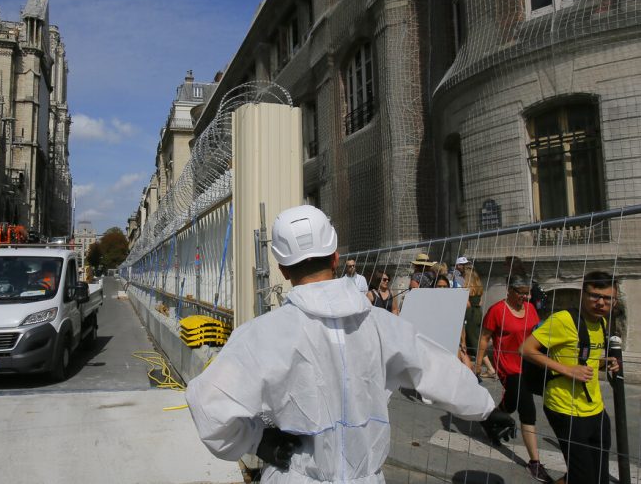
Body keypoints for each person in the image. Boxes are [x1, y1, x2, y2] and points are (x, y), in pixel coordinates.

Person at [185, 205, 514, 483]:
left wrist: (257, 439)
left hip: (295, 475)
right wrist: (485, 409)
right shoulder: (381, 326)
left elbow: (211, 410)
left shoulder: (261, 335)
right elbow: (435, 368)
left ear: (283, 269)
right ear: (336, 258)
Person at [520, 271, 621, 484]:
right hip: (565, 408)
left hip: (595, 408)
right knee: (584, 478)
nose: (600, 302)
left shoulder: (601, 323)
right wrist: (568, 370)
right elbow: (527, 349)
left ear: (615, 300)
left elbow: (586, 358)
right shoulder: (563, 320)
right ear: (583, 295)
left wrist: (605, 363)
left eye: (607, 298)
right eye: (594, 296)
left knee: (597, 476)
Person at [475, 275, 551, 483]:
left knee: (511, 404)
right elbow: (484, 338)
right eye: (521, 293)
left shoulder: (531, 309)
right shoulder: (497, 311)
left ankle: (490, 418)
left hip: (529, 365)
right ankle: (534, 463)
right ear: (509, 290)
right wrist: (478, 364)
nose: (525, 297)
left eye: (527, 293)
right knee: (528, 409)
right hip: (508, 366)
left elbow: (537, 334)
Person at [435, 274, 473, 371]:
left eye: (445, 287)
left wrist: (463, 342)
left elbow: (460, 324)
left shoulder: (453, 303)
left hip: (453, 340)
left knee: (468, 368)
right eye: (439, 286)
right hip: (436, 341)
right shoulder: (430, 303)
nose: (442, 289)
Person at [464, 267, 496, 378]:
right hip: (478, 312)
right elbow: (481, 301)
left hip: (470, 314)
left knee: (474, 341)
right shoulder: (479, 286)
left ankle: (490, 368)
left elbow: (467, 304)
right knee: (476, 339)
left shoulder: (467, 287)